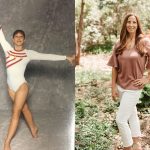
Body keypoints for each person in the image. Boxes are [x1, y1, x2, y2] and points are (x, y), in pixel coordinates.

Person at [0, 26, 75, 150]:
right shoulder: (7, 50)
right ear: (13, 39)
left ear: (24, 40)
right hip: (11, 87)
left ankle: (6, 142)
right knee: (25, 109)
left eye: (21, 37)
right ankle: (34, 128)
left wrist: (66, 57)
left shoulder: (28, 53)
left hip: (21, 86)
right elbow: (1, 37)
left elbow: (46, 56)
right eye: (16, 36)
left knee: (16, 112)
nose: (19, 38)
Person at [107, 13, 150, 150]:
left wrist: (147, 78)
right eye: (129, 22)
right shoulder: (119, 44)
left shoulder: (144, 42)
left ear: (138, 25)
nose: (131, 24)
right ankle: (137, 142)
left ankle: (128, 146)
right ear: (125, 24)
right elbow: (114, 67)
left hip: (134, 87)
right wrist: (113, 88)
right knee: (131, 113)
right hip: (120, 86)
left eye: (134, 22)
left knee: (120, 119)